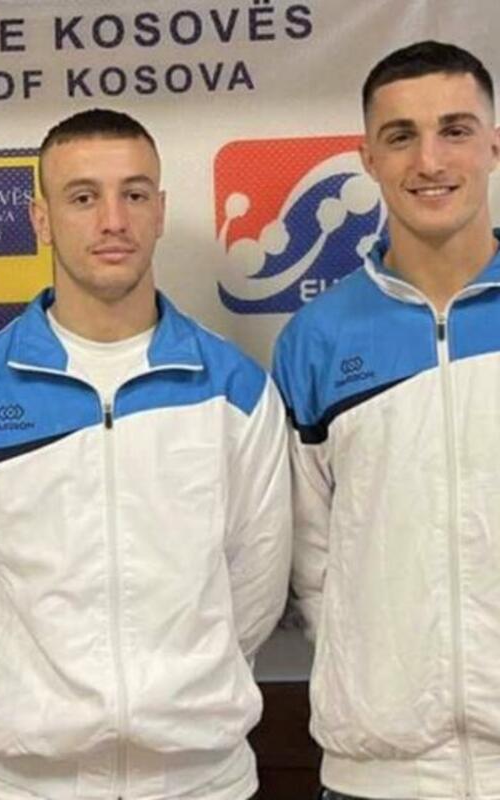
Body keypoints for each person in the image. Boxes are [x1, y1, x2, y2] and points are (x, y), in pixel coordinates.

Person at [0, 108, 291, 800]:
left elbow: (255, 587)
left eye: (134, 194)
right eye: (83, 197)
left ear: (160, 210)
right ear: (42, 219)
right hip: (27, 784)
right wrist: (18, 701)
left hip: (200, 780)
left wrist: (179, 699)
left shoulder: (234, 389)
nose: (113, 220)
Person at [272, 40, 500, 800]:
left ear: (493, 145)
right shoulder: (316, 339)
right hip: (379, 773)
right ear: (368, 157)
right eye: (401, 136)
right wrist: (373, 678)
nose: (429, 161)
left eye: (455, 130)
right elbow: (310, 555)